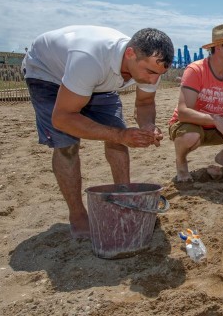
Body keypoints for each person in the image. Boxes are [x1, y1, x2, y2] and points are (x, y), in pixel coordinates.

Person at [23, 25, 175, 239]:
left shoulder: (151, 66)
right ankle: (77, 216)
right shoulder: (90, 59)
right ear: (130, 54)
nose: (152, 80)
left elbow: (145, 103)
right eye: (149, 72)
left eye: (159, 74)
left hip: (97, 82)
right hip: (47, 73)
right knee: (67, 144)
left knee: (118, 135)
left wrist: (148, 125)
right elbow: (63, 118)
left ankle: (124, 200)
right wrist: (119, 135)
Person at [168, 24, 223, 183]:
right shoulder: (196, 70)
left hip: (217, 128)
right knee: (191, 136)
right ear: (218, 47)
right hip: (189, 125)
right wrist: (215, 119)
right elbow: (183, 112)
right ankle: (181, 163)